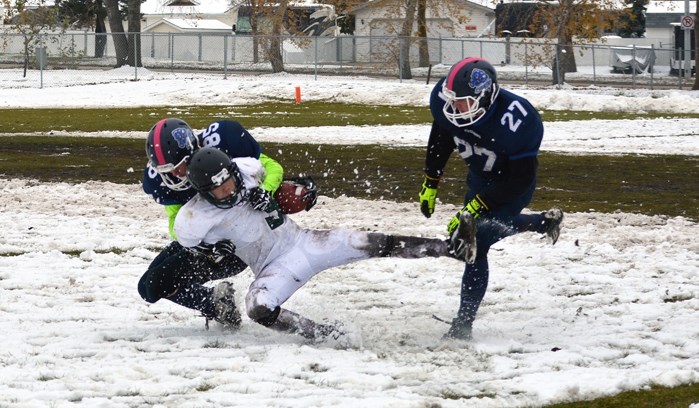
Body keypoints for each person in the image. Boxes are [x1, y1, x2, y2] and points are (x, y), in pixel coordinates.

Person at [174, 147, 469, 341]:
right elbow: (190, 247)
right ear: (204, 193)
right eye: (220, 189)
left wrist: (268, 191)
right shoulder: (194, 216)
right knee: (258, 307)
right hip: (272, 268)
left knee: (367, 241)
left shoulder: (247, 171)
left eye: (230, 181)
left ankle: (449, 248)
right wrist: (212, 253)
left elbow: (272, 171)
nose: (230, 189)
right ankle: (321, 334)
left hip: (304, 242)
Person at [418, 57, 564, 340]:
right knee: (480, 234)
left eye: (463, 102)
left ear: (486, 97)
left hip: (511, 185)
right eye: (452, 101)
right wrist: (431, 180)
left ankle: (463, 324)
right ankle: (540, 223)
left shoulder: (519, 120)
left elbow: (519, 178)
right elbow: (443, 132)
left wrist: (479, 204)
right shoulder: (447, 104)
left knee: (476, 242)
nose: (455, 108)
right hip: (479, 176)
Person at [138, 117, 287, 330]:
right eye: (165, 170)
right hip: (209, 246)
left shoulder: (221, 144)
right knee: (147, 287)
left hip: (236, 244)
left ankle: (217, 305)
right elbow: (175, 221)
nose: (172, 175)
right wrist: (202, 246)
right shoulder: (163, 182)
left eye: (176, 167)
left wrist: (265, 191)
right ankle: (216, 303)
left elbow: (271, 167)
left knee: (155, 283)